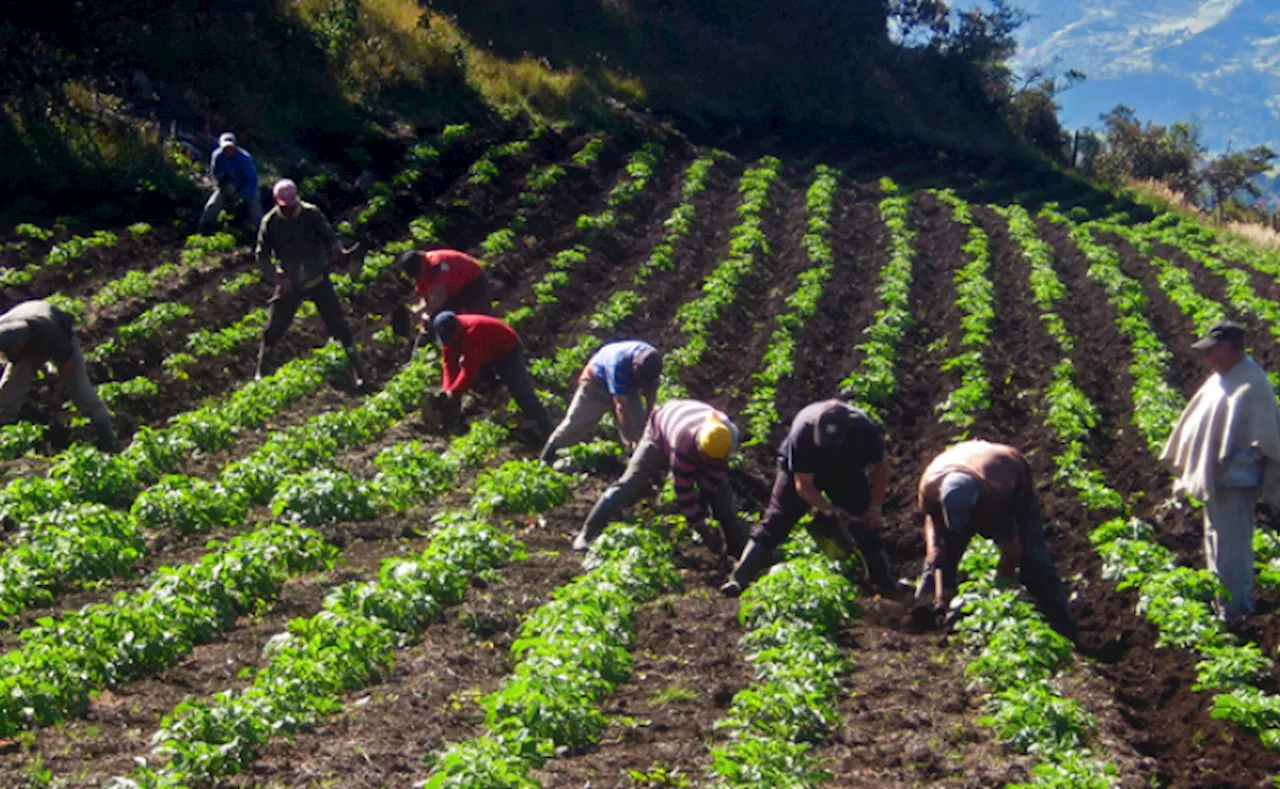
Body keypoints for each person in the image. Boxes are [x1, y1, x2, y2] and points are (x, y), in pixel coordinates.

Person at [1162, 321, 1280, 623]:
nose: (1206, 358)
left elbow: (1268, 441)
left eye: (1212, 351)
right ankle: (1222, 605)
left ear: (1228, 348)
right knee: (1215, 543)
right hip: (1217, 481)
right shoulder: (1222, 378)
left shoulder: (1252, 384)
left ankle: (1237, 610)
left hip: (1235, 482)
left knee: (1232, 549)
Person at [721, 399, 900, 598]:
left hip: (846, 471)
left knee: (864, 522)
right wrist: (830, 511)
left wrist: (875, 507)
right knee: (778, 519)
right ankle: (738, 579)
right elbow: (803, 484)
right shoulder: (803, 430)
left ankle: (884, 585)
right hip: (801, 470)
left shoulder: (864, 429)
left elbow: (881, 466)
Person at [914, 440, 1076, 639]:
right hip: (963, 461)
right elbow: (931, 519)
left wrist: (998, 593)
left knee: (1033, 555)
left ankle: (1061, 622)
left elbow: (1012, 549)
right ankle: (923, 613)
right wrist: (933, 549)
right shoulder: (929, 486)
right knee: (940, 558)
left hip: (1012, 474)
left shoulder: (996, 497)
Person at [573, 399, 749, 557]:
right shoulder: (684, 443)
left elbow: (715, 476)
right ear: (699, 447)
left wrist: (705, 502)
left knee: (722, 494)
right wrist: (702, 528)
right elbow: (684, 492)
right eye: (705, 458)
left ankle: (736, 550)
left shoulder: (728, 437)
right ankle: (587, 533)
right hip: (659, 431)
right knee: (630, 483)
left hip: (684, 420)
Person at [255, 178, 370, 388]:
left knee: (339, 325)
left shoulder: (311, 213)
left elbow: (328, 235)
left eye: (292, 205)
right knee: (272, 330)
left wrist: (336, 248)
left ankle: (360, 373)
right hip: (290, 281)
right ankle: (261, 373)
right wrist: (278, 278)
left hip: (317, 276)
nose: (290, 210)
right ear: (277, 202)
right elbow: (262, 255)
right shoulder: (270, 222)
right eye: (285, 207)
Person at [0, 300, 115, 452]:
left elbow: (65, 365)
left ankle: (108, 440)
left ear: (20, 345)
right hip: (27, 320)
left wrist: (57, 393)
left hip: (60, 335)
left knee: (81, 392)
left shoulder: (52, 336)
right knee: (9, 391)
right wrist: (46, 374)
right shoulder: (5, 333)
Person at [539, 340, 662, 464]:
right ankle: (547, 457)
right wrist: (632, 439)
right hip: (596, 385)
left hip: (629, 388)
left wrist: (648, 418)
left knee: (638, 427)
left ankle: (638, 464)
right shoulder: (619, 364)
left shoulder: (652, 361)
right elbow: (621, 407)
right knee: (576, 424)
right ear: (635, 367)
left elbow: (651, 392)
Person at [433, 311, 553, 437]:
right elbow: (449, 365)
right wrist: (447, 390)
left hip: (507, 351)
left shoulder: (472, 332)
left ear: (456, 330)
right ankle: (455, 420)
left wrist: (454, 392)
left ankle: (549, 431)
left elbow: (469, 370)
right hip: (485, 353)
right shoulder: (449, 336)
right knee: (461, 385)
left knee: (523, 394)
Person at [398, 249, 495, 320]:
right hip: (453, 289)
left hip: (473, 282)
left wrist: (424, 311)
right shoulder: (420, 272)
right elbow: (425, 295)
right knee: (451, 320)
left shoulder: (436, 263)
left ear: (422, 261)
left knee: (480, 316)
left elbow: (440, 295)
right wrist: (421, 311)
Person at [198, 132, 262, 233]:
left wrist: (241, 194)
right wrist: (222, 186)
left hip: (247, 186)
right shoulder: (217, 156)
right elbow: (215, 174)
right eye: (225, 148)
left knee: (255, 210)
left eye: (230, 147)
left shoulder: (244, 158)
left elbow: (253, 181)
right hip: (229, 185)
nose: (227, 150)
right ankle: (203, 228)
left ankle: (260, 232)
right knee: (212, 205)